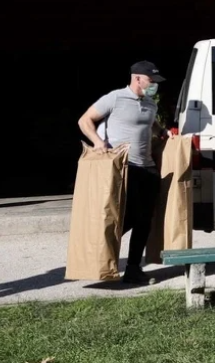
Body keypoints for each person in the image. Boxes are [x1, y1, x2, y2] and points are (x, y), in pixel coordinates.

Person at [78, 61, 170, 285]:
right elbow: (84, 120)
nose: (155, 86)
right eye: (151, 81)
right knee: (125, 217)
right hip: (125, 167)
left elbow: (151, 124)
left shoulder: (150, 104)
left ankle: (133, 269)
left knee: (145, 220)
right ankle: (98, 255)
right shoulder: (115, 98)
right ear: (137, 78)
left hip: (148, 168)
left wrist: (163, 132)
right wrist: (97, 141)